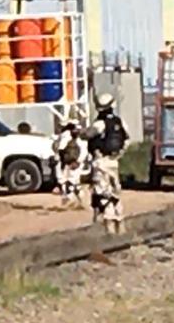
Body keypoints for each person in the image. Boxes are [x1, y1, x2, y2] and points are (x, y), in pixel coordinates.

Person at [84, 93, 130, 234]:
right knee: (116, 194)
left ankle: (110, 230)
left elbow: (87, 135)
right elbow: (127, 140)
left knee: (104, 195)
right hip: (113, 162)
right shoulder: (120, 122)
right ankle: (121, 228)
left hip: (101, 162)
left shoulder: (99, 124)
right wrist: (119, 154)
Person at [54, 121, 86, 209]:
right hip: (69, 163)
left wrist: (77, 162)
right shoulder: (71, 137)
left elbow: (60, 149)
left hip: (73, 163)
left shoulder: (67, 136)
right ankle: (78, 202)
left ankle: (70, 200)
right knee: (72, 183)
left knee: (70, 182)